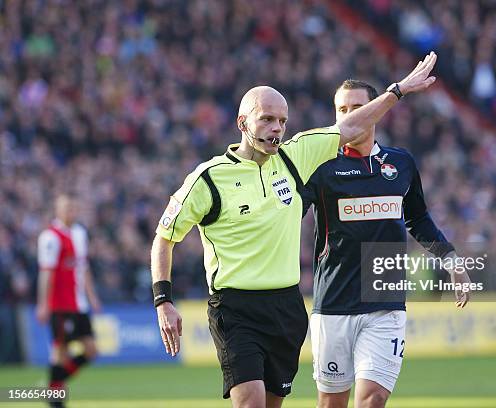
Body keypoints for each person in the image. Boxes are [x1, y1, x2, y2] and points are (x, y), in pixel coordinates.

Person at [151, 52, 439, 408]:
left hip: (286, 307)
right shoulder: (208, 178)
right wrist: (163, 299)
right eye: (267, 119)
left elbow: (349, 127)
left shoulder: (295, 158)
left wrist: (399, 91)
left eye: (282, 121)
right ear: (242, 123)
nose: (276, 128)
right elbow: (165, 237)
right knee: (250, 402)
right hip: (234, 307)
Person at [301, 79, 472, 407]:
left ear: (375, 112)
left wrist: (451, 260)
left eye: (357, 108)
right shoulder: (321, 168)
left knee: (373, 399)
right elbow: (289, 214)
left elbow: (418, 220)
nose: (350, 116)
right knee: (331, 403)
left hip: (385, 303)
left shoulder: (401, 163)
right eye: (342, 110)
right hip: (333, 302)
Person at [36, 193, 101, 407]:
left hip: (79, 303)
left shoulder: (80, 233)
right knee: (60, 351)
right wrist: (43, 304)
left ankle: (54, 384)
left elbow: (84, 269)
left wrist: (92, 297)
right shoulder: (50, 237)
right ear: (58, 209)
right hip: (60, 305)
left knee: (91, 350)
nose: (70, 212)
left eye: (73, 208)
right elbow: (46, 273)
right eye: (66, 208)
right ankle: (56, 398)